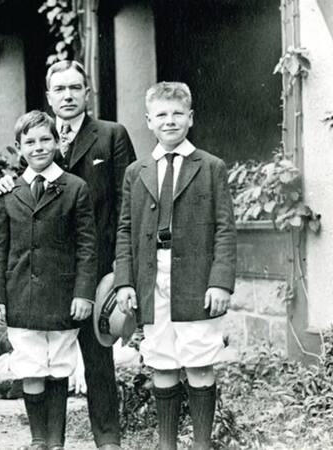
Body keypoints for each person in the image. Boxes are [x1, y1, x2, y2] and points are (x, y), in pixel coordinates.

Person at [0, 60, 135, 449]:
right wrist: (7, 181)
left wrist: (123, 268)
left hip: (98, 268)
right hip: (47, 271)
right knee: (47, 360)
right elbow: (26, 187)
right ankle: (50, 441)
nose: (68, 95)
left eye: (75, 87)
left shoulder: (111, 135)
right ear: (49, 95)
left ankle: (107, 440)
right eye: (60, 89)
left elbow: (127, 205)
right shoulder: (38, 137)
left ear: (87, 92)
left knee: (98, 360)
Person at [114, 82, 236, 450]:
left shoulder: (211, 167)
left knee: (199, 359)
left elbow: (225, 229)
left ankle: (201, 444)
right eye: (162, 115)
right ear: (149, 121)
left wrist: (220, 283)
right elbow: (125, 229)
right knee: (162, 359)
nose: (170, 121)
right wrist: (125, 282)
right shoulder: (137, 171)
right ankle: (166, 444)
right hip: (152, 276)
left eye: (178, 114)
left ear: (190, 118)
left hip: (196, 278)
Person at [0, 111, 97, 450]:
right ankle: (38, 440)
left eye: (45, 139)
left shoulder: (75, 188)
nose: (38, 147)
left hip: (62, 294)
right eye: (30, 142)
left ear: (58, 142)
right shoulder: (9, 191)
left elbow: (87, 247)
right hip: (21, 293)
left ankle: (56, 441)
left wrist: (83, 293)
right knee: (31, 366)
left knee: (58, 366)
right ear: (19, 148)